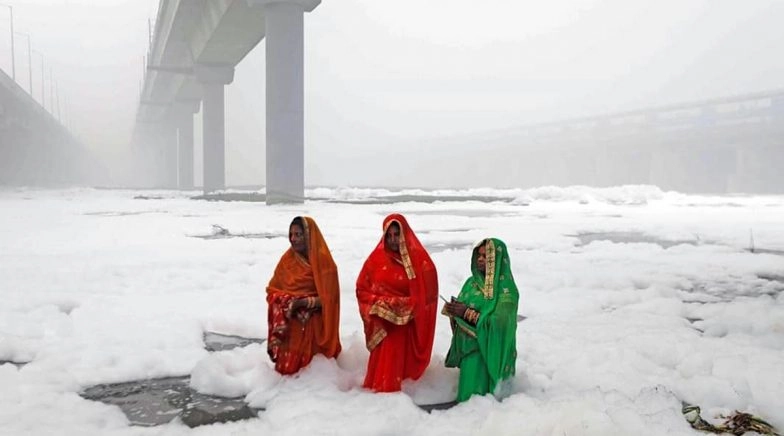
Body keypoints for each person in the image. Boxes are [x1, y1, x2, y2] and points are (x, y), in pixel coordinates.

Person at [356, 213, 438, 392]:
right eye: (389, 235)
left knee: (402, 377)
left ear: (405, 234)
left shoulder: (419, 261)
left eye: (397, 235)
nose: (393, 240)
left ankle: (401, 399)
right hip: (384, 327)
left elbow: (429, 296)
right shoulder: (375, 260)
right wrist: (382, 304)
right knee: (384, 373)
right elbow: (361, 289)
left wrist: (409, 305)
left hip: (407, 327)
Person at [443, 238, 519, 402]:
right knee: (467, 401)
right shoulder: (471, 283)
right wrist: (455, 310)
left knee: (479, 403)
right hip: (469, 351)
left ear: (497, 260)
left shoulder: (507, 292)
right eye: (479, 255)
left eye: (486, 257)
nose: (480, 259)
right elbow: (463, 307)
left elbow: (500, 325)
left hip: (487, 354)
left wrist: (466, 313)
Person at [266, 216, 341, 375]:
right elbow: (272, 289)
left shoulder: (325, 264)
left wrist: (303, 303)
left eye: (298, 234)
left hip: (314, 324)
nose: (293, 239)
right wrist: (285, 301)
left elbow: (330, 301)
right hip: (291, 322)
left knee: (309, 374)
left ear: (309, 236)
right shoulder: (287, 260)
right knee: (287, 376)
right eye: (291, 234)